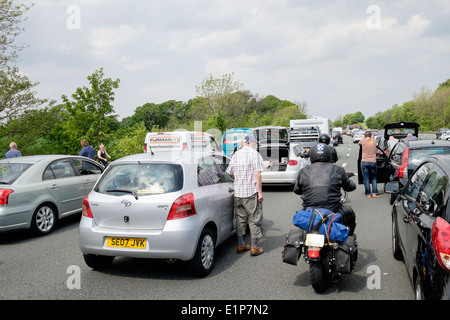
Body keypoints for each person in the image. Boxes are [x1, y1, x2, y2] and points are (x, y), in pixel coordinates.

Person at [294, 143, 357, 235]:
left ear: (312, 156)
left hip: (310, 211)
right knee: (350, 213)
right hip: (333, 210)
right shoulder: (338, 169)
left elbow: (296, 190)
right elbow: (350, 187)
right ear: (329, 155)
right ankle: (347, 236)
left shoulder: (303, 171)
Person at [226, 135, 264, 256]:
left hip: (238, 193)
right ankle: (254, 247)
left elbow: (229, 172)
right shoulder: (254, 154)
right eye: (255, 143)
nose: (255, 145)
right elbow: (257, 174)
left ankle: (241, 244)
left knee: (240, 219)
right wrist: (260, 192)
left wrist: (238, 179)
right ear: (251, 143)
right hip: (250, 193)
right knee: (254, 218)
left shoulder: (236, 154)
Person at [358, 131, 379, 198]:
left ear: (364, 135)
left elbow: (359, 144)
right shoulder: (374, 141)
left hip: (364, 161)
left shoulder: (362, 141)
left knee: (366, 178)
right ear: (371, 135)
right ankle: (374, 193)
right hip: (373, 161)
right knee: (374, 178)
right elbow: (377, 145)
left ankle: (368, 194)